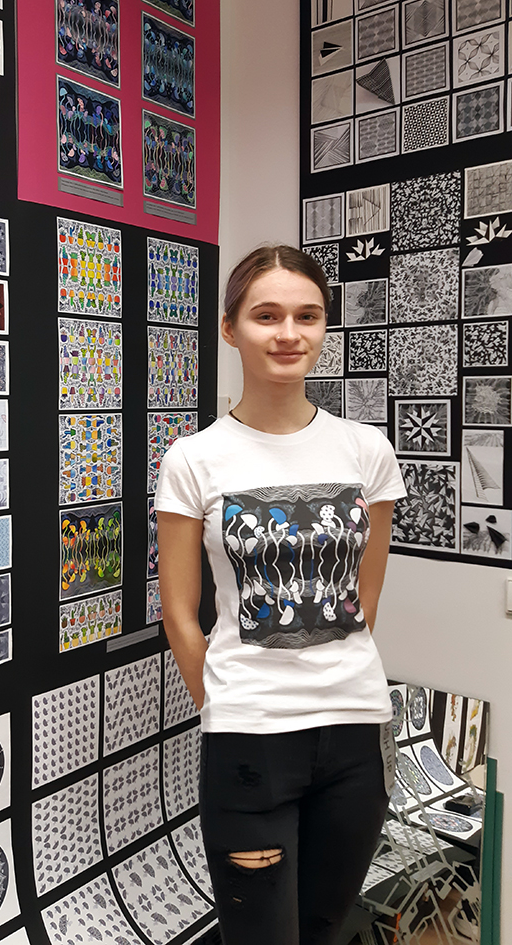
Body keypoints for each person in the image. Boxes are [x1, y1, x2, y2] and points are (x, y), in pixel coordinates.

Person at [155, 245, 407, 945]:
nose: (288, 333)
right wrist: (224, 701)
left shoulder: (366, 451)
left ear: (324, 326)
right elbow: (178, 613)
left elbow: (365, 598)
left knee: (323, 929)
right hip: (249, 744)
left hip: (356, 734)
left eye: (307, 316)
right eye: (266, 316)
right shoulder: (193, 459)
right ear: (230, 328)